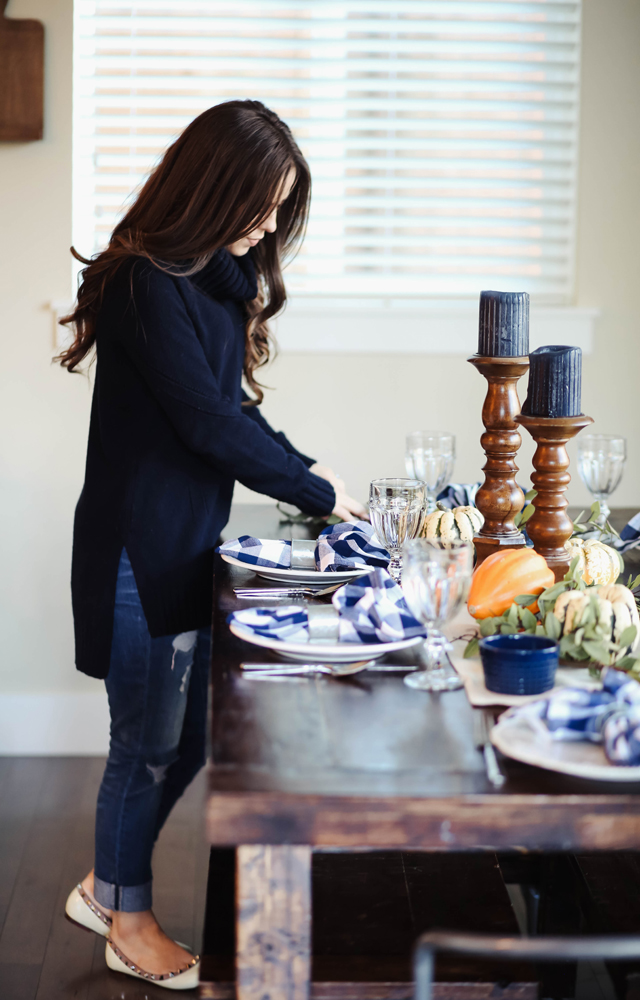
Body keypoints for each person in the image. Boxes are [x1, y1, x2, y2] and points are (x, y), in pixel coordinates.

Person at [59, 100, 365, 989]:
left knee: (186, 740)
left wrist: (317, 476)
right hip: (136, 556)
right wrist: (314, 492)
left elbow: (231, 416)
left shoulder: (210, 287)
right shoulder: (143, 282)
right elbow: (204, 426)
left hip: (185, 547)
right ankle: (128, 920)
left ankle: (106, 884)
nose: (269, 225)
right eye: (260, 204)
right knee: (143, 744)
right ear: (214, 187)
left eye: (280, 209)